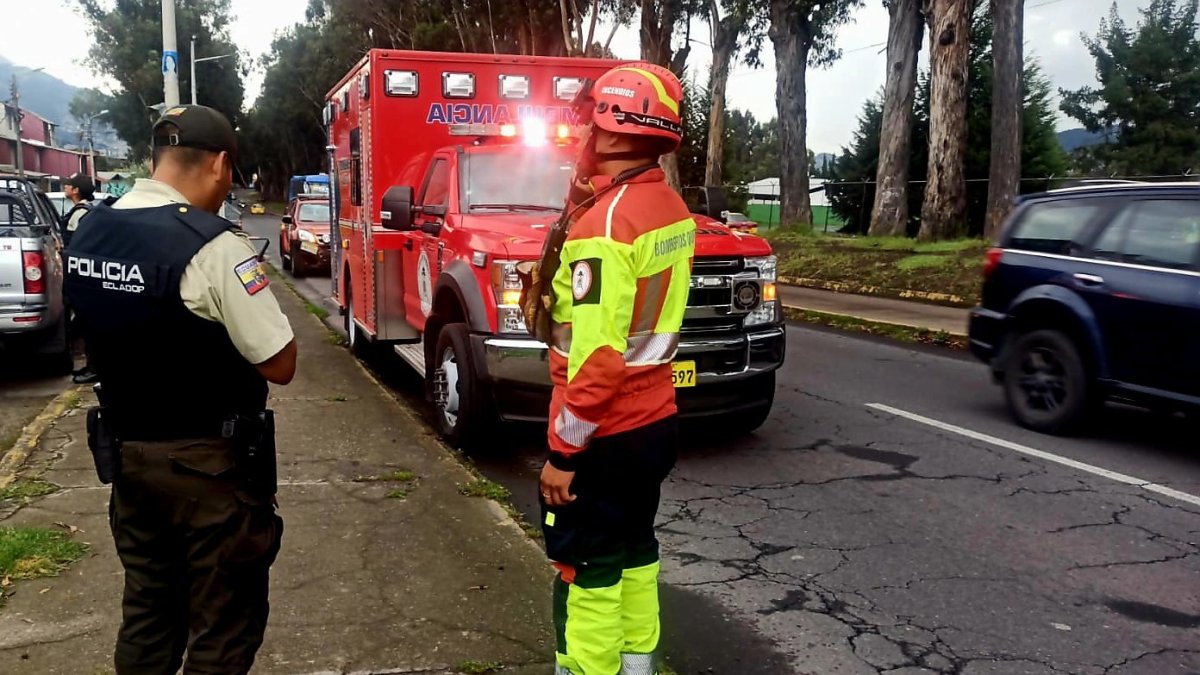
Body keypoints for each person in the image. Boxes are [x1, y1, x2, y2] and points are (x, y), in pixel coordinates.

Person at [63, 104, 297, 675]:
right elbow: (279, 362)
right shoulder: (214, 245)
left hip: (129, 460)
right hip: (209, 471)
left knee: (148, 611)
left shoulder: (90, 230)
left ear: (156, 159)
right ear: (219, 164)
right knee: (223, 625)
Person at [538, 63, 695, 675]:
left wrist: (563, 454)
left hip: (604, 433)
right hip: (655, 421)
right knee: (635, 553)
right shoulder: (669, 207)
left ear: (608, 129)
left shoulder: (604, 225)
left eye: (590, 121)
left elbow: (599, 361)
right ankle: (636, 667)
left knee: (586, 569)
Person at [61, 173, 102, 383]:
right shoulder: (90, 211)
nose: (65, 187)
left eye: (68, 185)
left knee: (86, 322)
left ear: (76, 190)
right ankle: (92, 365)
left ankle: (93, 367)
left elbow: (77, 244)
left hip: (80, 274)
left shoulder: (80, 214)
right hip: (87, 273)